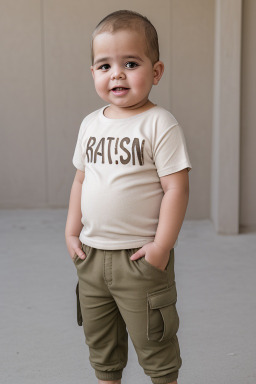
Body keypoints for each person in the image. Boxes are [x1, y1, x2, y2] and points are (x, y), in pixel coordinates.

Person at [65, 10, 192, 384]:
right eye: (104, 65)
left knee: (155, 343)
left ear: (156, 72)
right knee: (101, 345)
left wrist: (161, 247)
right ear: (93, 74)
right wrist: (72, 232)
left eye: (131, 63)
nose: (116, 73)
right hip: (91, 256)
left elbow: (176, 188)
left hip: (139, 257)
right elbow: (80, 180)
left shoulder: (159, 124)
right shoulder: (91, 123)